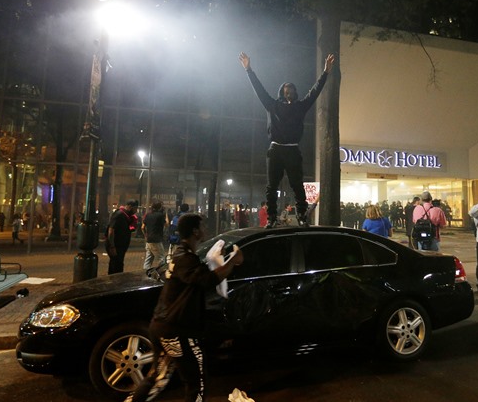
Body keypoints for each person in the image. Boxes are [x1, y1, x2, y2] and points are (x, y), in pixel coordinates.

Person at [124, 213, 243, 402]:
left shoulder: (181, 254)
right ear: (195, 231)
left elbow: (201, 275)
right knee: (197, 382)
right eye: (202, 226)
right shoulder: (186, 258)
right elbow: (208, 279)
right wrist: (233, 261)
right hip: (177, 331)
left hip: (163, 326)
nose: (205, 229)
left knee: (158, 378)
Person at [239, 51, 336, 228]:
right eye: (285, 90)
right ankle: (271, 218)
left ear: (294, 93)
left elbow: (314, 92)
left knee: (297, 185)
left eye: (290, 90)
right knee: (271, 187)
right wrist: (249, 70)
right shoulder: (272, 105)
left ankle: (301, 216)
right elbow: (259, 89)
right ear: (282, 93)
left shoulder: (300, 106)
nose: (288, 92)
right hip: (276, 149)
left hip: (292, 149)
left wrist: (326, 73)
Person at [106, 199, 139, 275]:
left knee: (119, 264)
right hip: (116, 245)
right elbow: (111, 231)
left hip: (120, 245)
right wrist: (112, 246)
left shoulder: (127, 216)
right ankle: (113, 282)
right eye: (135, 208)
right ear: (130, 207)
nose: (136, 211)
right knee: (115, 266)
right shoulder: (119, 214)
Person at [142, 200, 167, 272]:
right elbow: (167, 224)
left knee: (148, 258)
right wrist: (166, 214)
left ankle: (144, 273)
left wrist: (145, 236)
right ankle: (162, 273)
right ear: (160, 207)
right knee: (161, 258)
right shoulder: (160, 215)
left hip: (148, 239)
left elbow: (142, 227)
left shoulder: (148, 215)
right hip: (156, 239)